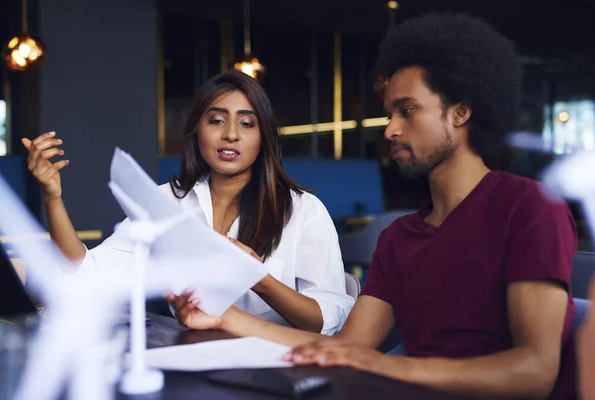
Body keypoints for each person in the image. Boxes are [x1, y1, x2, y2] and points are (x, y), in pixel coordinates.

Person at [166, 13, 577, 399]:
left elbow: (534, 373)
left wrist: (387, 367)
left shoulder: (528, 208)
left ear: (460, 112)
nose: (391, 129)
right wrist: (225, 319)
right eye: (388, 114)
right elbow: (344, 348)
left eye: (407, 111)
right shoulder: (399, 238)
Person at [22, 70, 354, 335]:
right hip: (194, 355)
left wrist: (259, 279)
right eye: (217, 120)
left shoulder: (303, 211)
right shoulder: (165, 201)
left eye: (246, 123)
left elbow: (325, 322)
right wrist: (53, 196)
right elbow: (85, 274)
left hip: (277, 365)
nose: (231, 135)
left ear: (263, 137)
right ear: (197, 131)